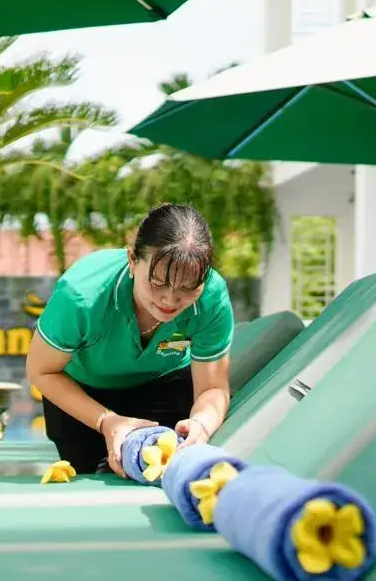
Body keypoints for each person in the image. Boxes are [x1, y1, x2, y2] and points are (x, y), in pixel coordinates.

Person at [27, 202, 234, 475]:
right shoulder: (81, 295)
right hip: (81, 393)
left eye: (188, 287)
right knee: (90, 480)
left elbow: (212, 388)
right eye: (158, 283)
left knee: (164, 474)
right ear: (132, 260)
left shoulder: (211, 298)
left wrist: (202, 424)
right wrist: (106, 420)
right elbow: (41, 370)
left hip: (164, 386)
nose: (170, 300)